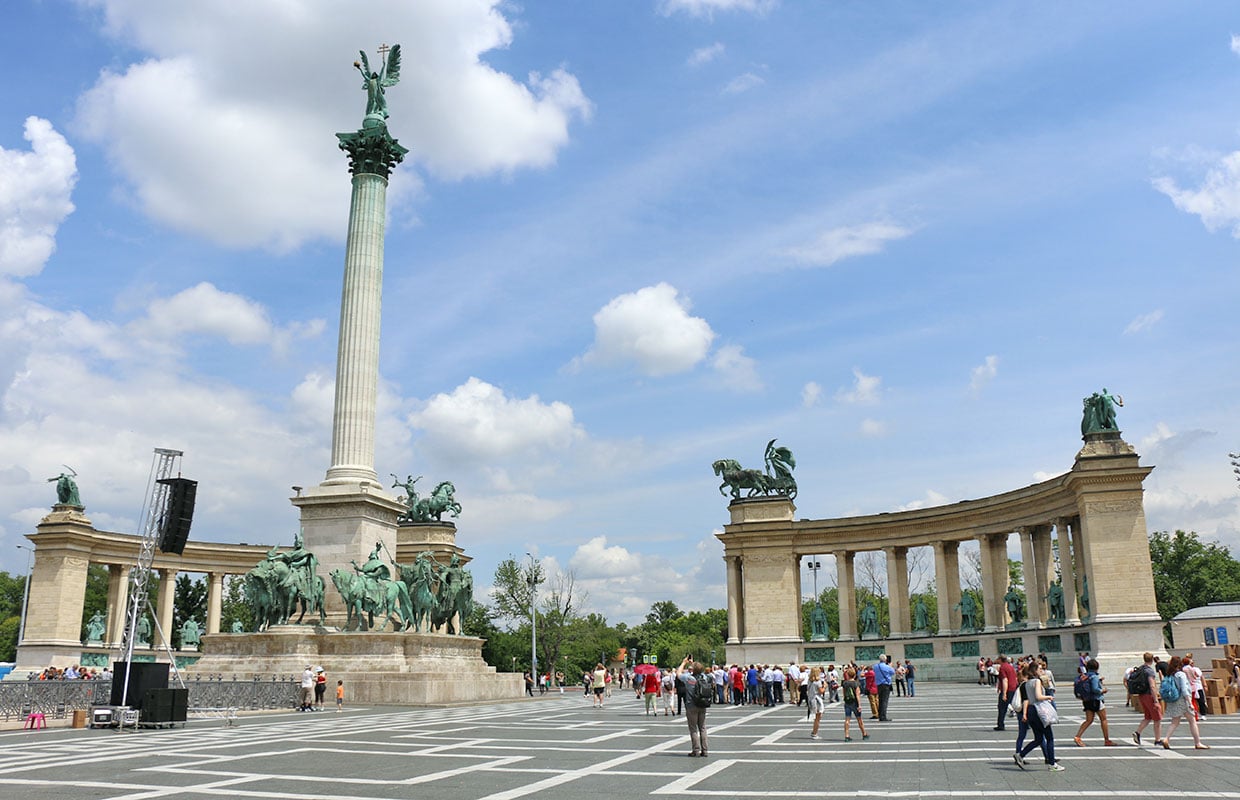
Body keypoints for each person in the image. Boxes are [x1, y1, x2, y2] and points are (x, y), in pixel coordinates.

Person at [1014, 660, 1064, 771]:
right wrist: (1048, 697)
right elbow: (1038, 696)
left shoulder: (1026, 683)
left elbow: (1027, 699)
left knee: (1038, 738)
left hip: (1031, 710)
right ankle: (1052, 764)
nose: (1042, 671)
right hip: (1039, 710)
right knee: (1049, 738)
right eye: (1040, 669)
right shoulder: (1036, 681)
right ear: (1035, 670)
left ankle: (1021, 755)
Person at [1160, 655, 1209, 750]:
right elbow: (1184, 689)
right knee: (1192, 721)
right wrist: (1189, 702)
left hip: (1174, 699)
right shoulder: (1180, 674)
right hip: (1183, 700)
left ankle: (1166, 739)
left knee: (1175, 722)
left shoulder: (1170, 674)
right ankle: (1197, 743)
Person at [1073, 658, 1115, 746]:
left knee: (1088, 720)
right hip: (1096, 700)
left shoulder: (1085, 676)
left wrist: (1099, 681)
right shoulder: (1094, 676)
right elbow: (1095, 689)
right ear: (1097, 667)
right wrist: (1102, 690)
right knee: (1103, 719)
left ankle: (1078, 736)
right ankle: (1107, 740)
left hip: (1087, 700)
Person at [675, 657, 710, 758]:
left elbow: (678, 674)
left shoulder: (689, 678)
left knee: (693, 729)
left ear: (693, 670)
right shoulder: (705, 677)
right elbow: (700, 670)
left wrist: (683, 662)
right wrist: (694, 663)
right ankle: (705, 750)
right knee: (703, 728)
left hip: (691, 705)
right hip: (703, 704)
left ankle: (696, 750)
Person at [1128, 651, 1163, 747]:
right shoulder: (1149, 671)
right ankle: (1157, 740)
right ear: (1152, 660)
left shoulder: (1140, 669)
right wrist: (1156, 700)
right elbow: (1152, 686)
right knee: (1157, 719)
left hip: (1141, 695)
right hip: (1149, 695)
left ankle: (1138, 732)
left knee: (1148, 717)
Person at [840, 666, 869, 742]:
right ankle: (864, 734)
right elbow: (858, 695)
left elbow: (843, 694)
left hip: (847, 702)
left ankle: (846, 735)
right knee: (859, 719)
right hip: (855, 703)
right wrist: (859, 705)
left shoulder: (844, 683)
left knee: (847, 719)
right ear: (855, 675)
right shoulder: (856, 684)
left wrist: (845, 700)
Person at [995, 655, 1018, 731]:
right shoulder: (1010, 666)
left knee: (1002, 707)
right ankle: (1026, 723)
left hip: (1008, 689)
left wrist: (1004, 693)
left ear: (1000, 659)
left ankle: (1000, 725)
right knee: (1016, 706)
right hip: (1013, 688)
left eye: (998, 659)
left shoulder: (1003, 667)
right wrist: (999, 687)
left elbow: (1005, 680)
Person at [807, 667, 826, 740]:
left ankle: (814, 732)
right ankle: (814, 733)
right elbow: (821, 691)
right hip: (816, 700)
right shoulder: (817, 682)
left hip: (811, 699)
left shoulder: (809, 681)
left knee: (817, 717)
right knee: (818, 717)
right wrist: (825, 686)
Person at [873, 655, 894, 721]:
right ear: (885, 660)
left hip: (879, 685)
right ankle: (883, 716)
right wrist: (890, 666)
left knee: (880, 700)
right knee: (884, 701)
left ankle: (880, 715)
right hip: (886, 685)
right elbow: (892, 672)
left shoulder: (875, 666)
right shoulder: (887, 667)